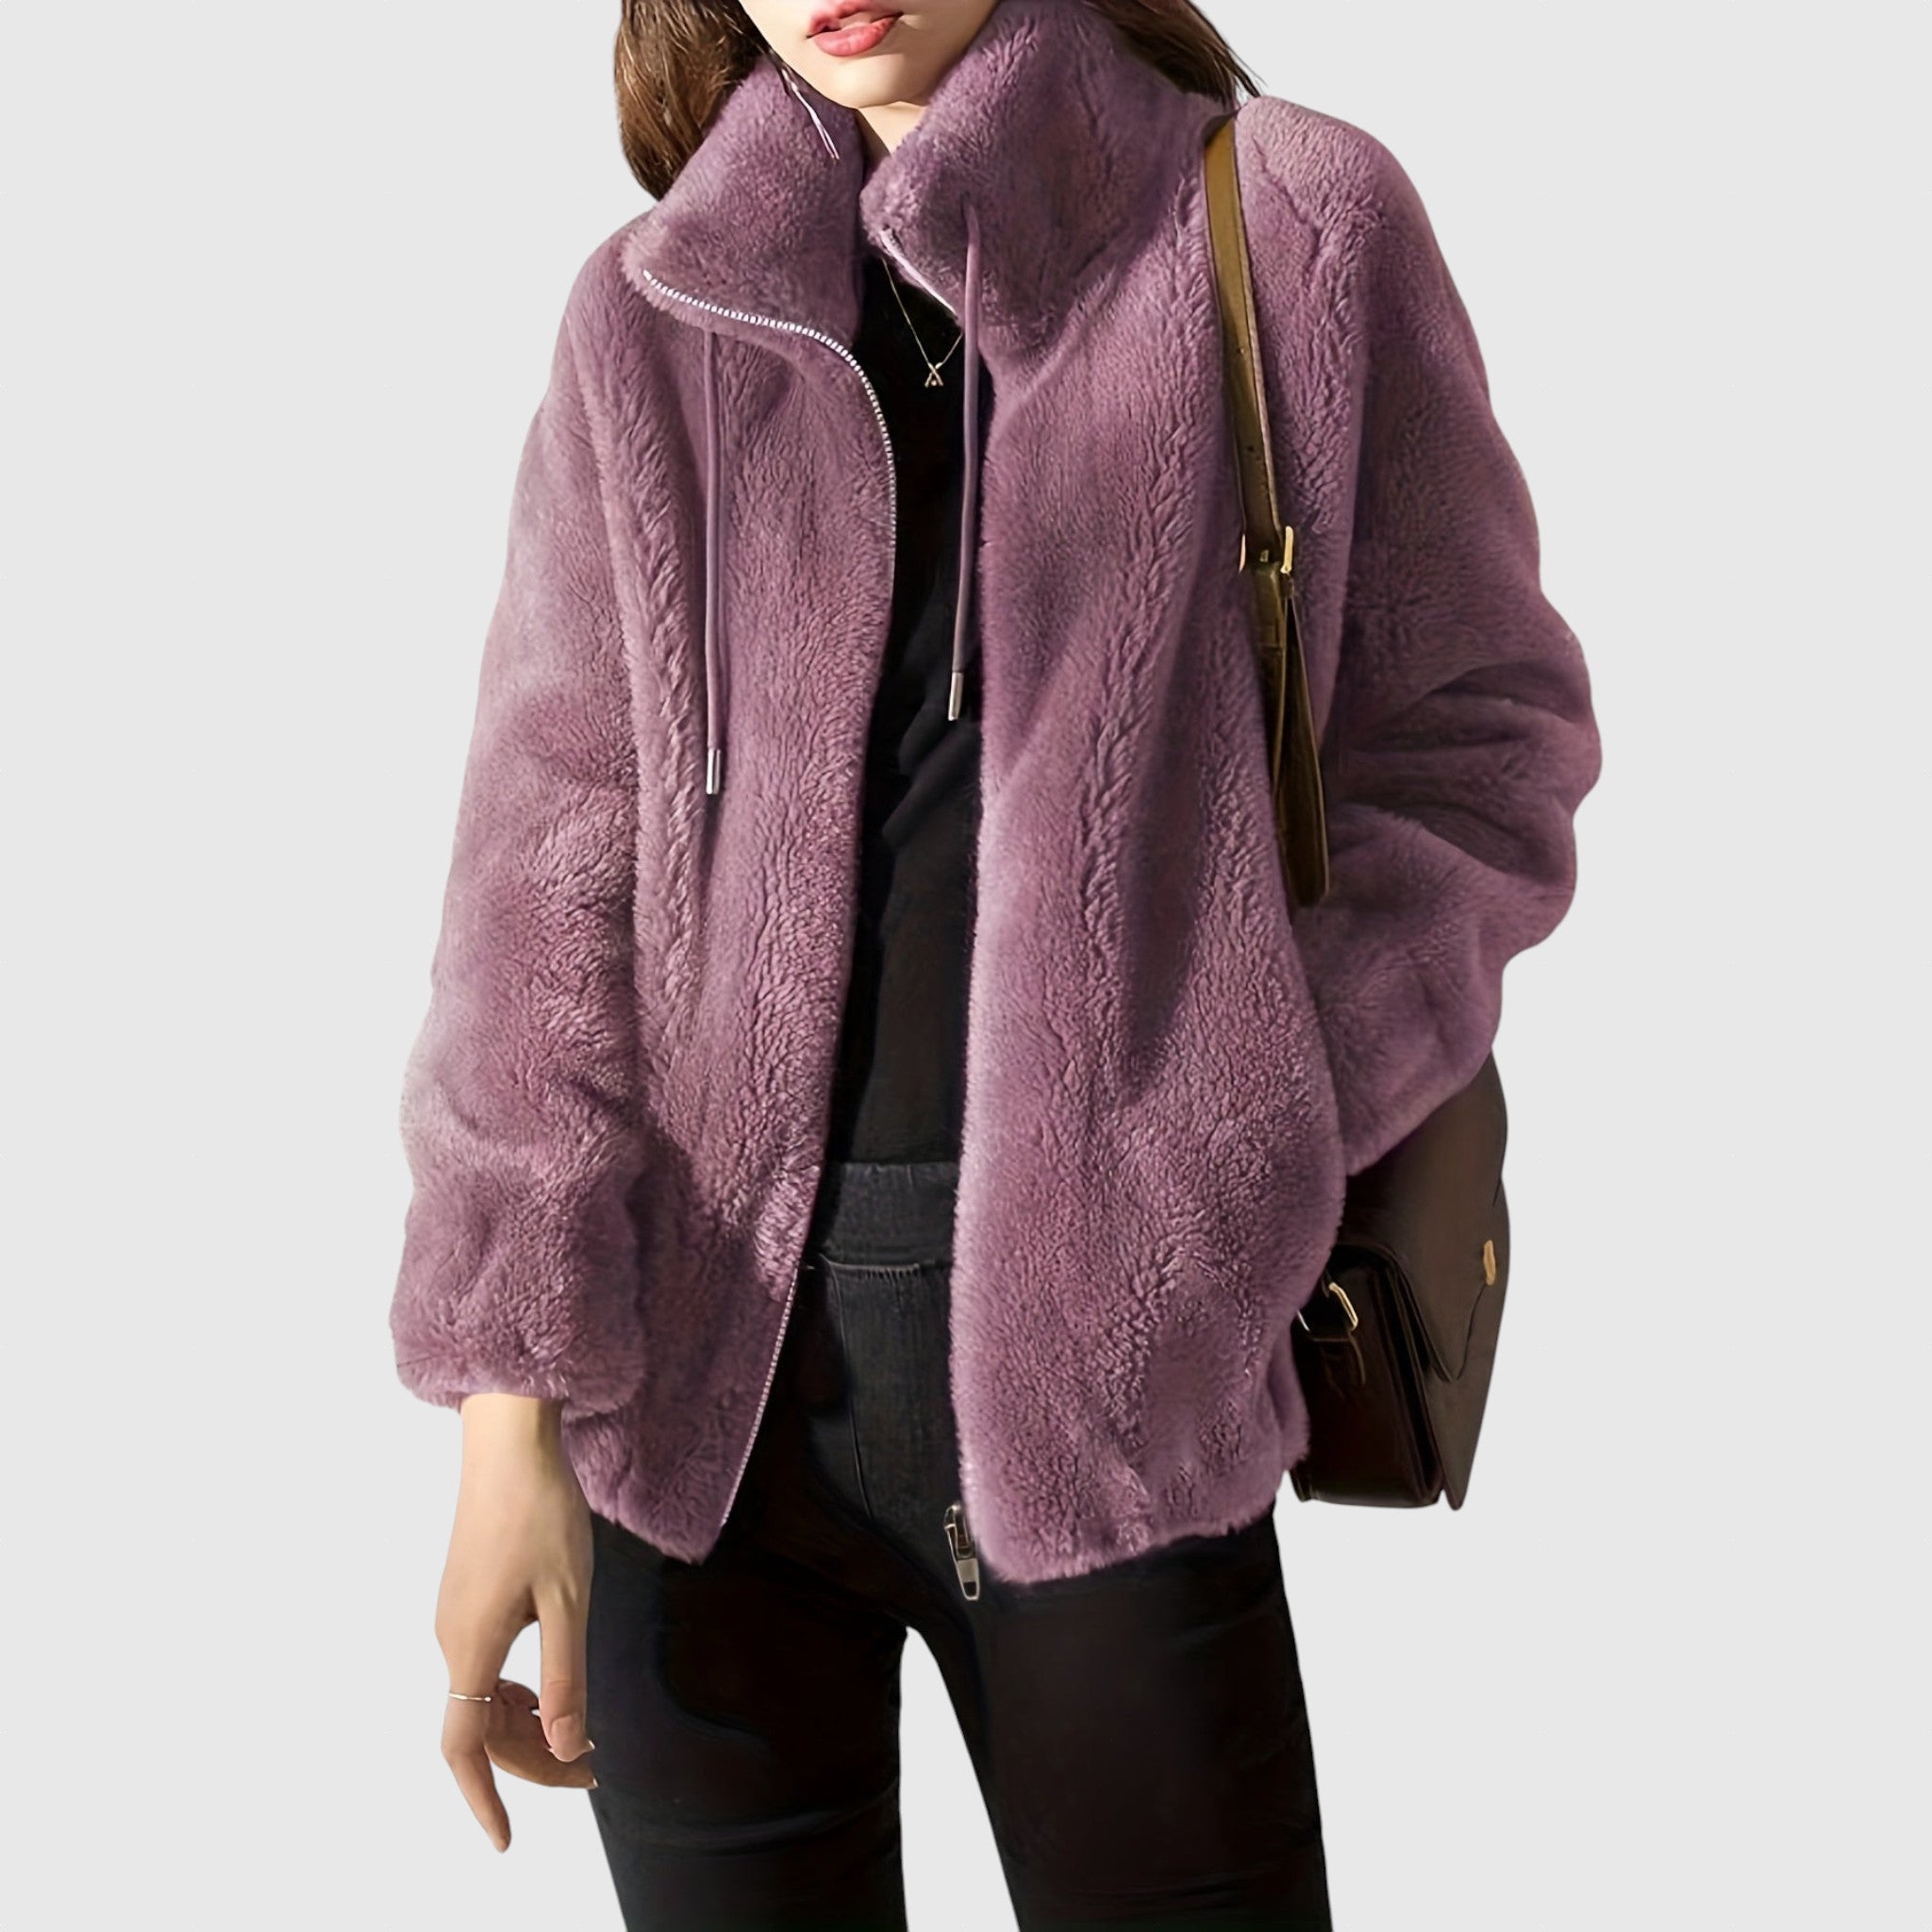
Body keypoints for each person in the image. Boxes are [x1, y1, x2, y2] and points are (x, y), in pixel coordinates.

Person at [389, 1, 1602, 1924]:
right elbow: (540, 888)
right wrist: (505, 1415)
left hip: (1110, 1378)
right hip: (696, 1425)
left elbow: (1478, 747)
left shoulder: (1289, 221)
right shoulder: (652, 314)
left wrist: (1234, 1117)